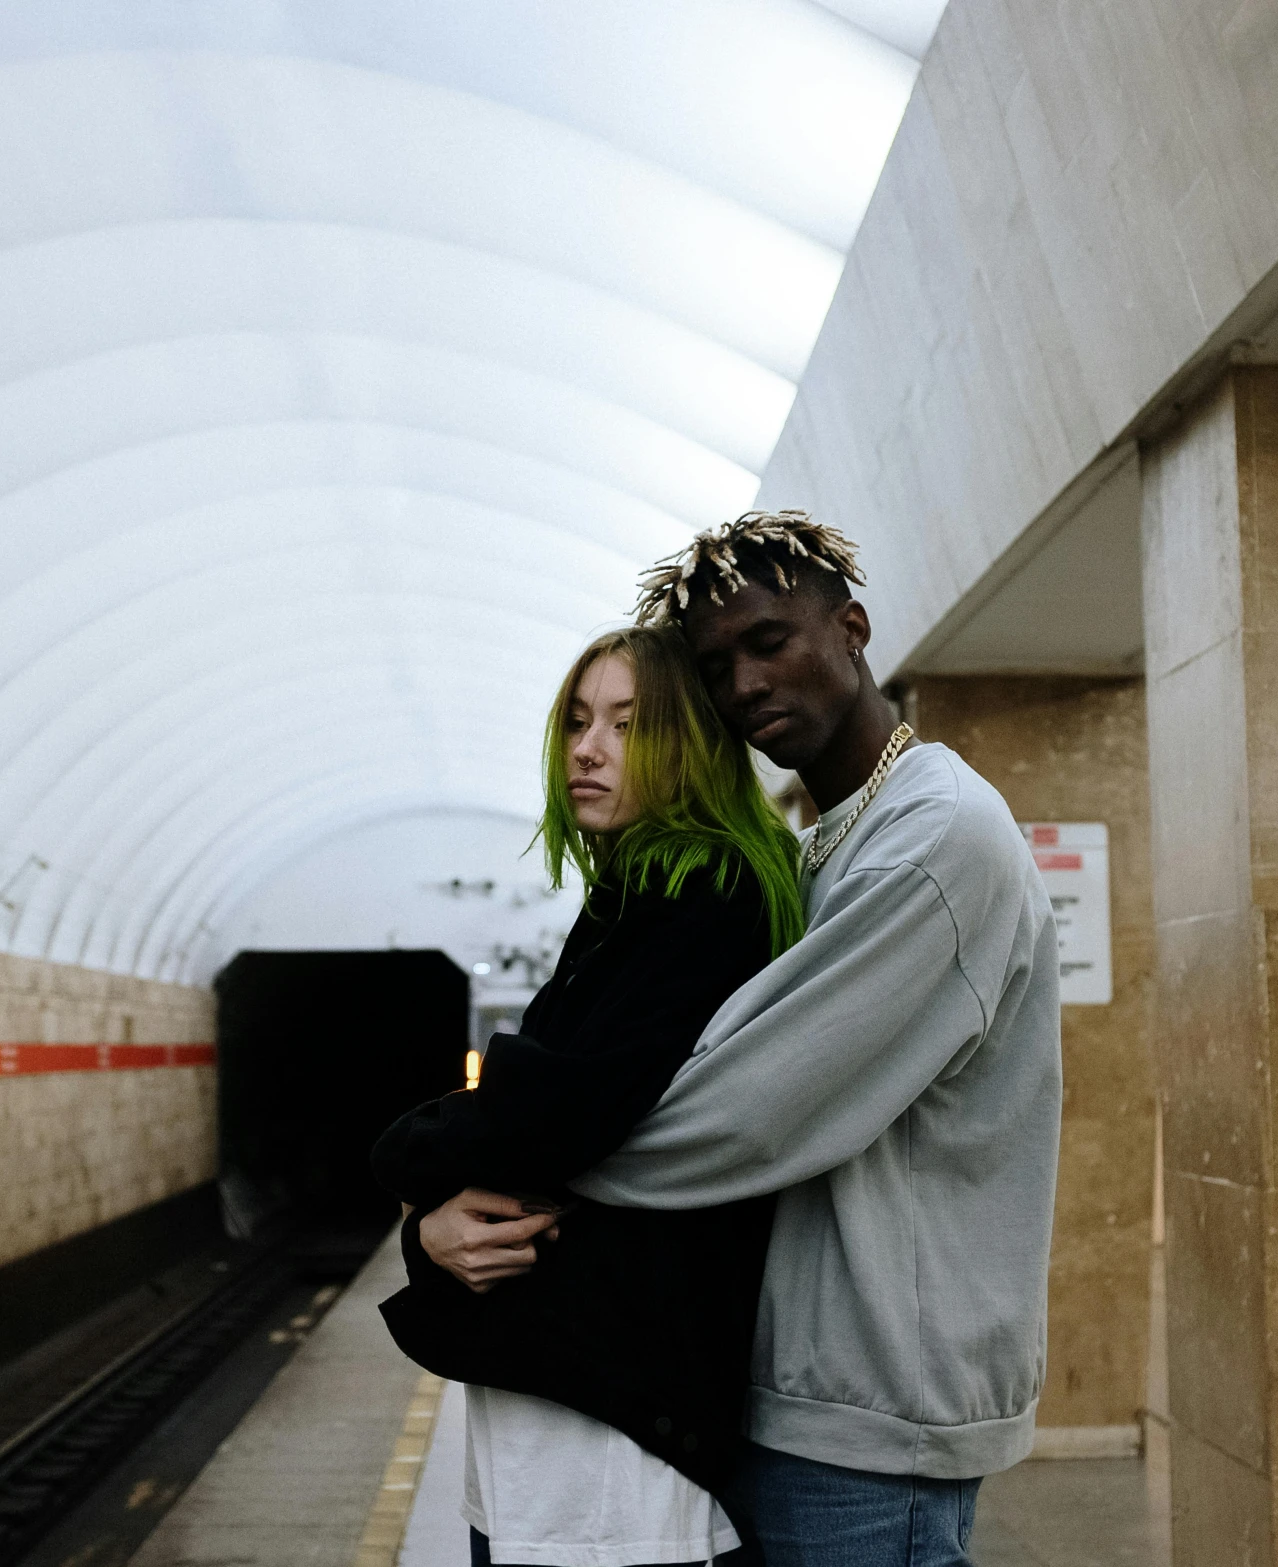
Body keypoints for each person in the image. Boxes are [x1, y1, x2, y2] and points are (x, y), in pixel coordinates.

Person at [419, 512, 1063, 1567]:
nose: (746, 684)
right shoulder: (823, 844)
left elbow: (737, 1119)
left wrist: (468, 1176)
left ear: (851, 629)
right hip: (795, 1393)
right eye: (718, 666)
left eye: (770, 641)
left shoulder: (935, 840)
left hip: (874, 1416)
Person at [372, 621, 805, 1567]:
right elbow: (542, 1117)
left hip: (617, 1455)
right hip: (565, 1434)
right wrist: (431, 1229)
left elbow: (560, 1116)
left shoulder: (710, 894)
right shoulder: (634, 895)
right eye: (576, 722)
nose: (589, 750)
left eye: (626, 723)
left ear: (689, 740)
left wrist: (404, 1155)